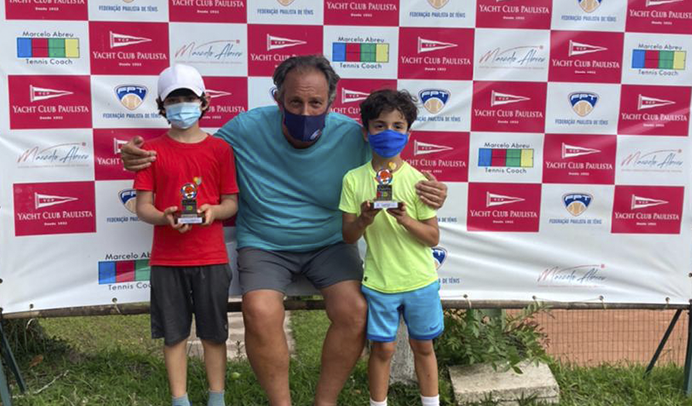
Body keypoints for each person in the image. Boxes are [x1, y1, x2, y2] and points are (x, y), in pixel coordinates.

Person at [122, 55, 448, 406]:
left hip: (330, 243)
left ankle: (324, 403)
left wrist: (433, 191)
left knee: (354, 311)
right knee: (260, 311)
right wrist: (134, 157)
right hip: (265, 244)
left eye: (315, 103)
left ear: (331, 102)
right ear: (278, 98)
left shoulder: (353, 136)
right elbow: (194, 149)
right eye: (295, 102)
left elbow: (394, 165)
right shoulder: (246, 128)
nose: (305, 112)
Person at [134, 64, 239, 406]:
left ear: (204, 102)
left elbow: (231, 204)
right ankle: (180, 400)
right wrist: (164, 218)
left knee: (214, 334)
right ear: (161, 106)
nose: (182, 106)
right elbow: (143, 207)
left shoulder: (220, 150)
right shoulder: (150, 152)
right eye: (173, 100)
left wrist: (213, 212)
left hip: (211, 258)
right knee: (174, 335)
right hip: (167, 261)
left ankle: (216, 398)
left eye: (189, 98)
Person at [340, 89, 443, 406]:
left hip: (420, 281)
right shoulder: (353, 180)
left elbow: (433, 238)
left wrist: (406, 219)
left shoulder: (419, 181)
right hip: (380, 283)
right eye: (380, 125)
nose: (389, 133)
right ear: (366, 132)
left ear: (408, 134)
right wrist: (364, 219)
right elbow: (348, 236)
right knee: (382, 349)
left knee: (423, 346)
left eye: (398, 126)